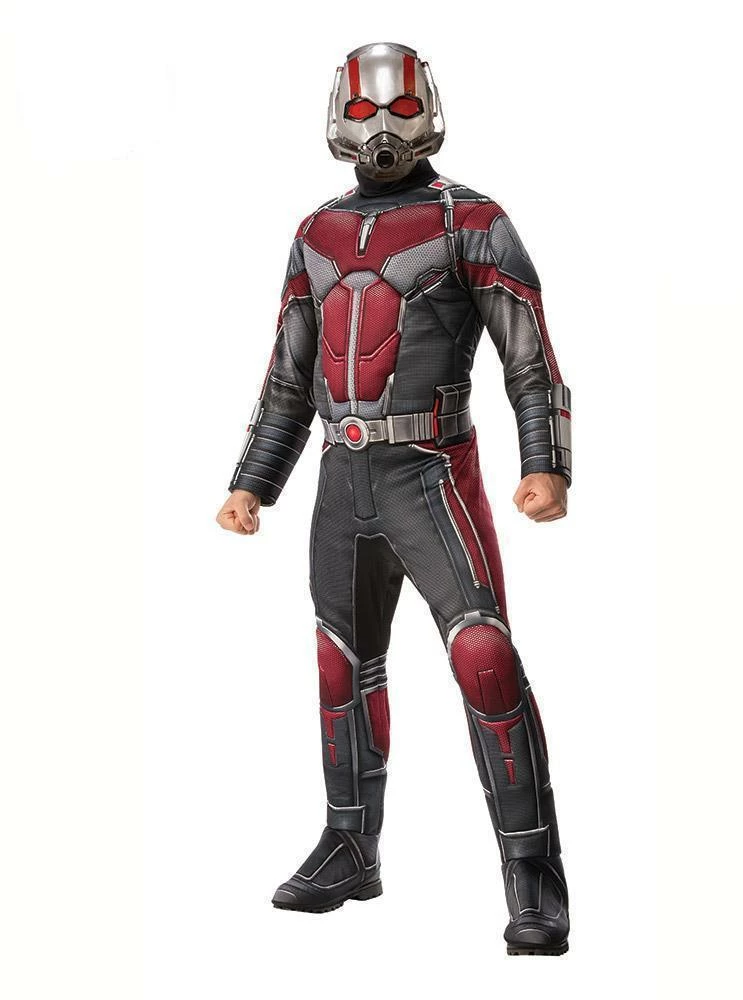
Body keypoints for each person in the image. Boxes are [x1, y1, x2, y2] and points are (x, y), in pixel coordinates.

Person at [216, 42, 572, 956]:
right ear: (340, 116)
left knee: (483, 657)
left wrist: (547, 462)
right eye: (366, 110)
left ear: (430, 113)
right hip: (343, 482)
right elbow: (288, 378)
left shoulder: (472, 219)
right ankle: (349, 846)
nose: (383, 127)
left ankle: (533, 872)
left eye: (401, 110)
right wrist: (252, 482)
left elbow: (529, 356)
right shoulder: (316, 233)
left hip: (431, 474)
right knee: (340, 665)